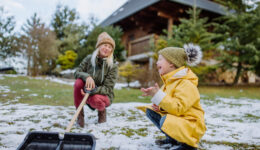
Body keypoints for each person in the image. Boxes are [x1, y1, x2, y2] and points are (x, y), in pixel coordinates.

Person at [138, 44, 206, 150]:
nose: (157, 62)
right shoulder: (169, 82)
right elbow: (170, 104)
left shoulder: (186, 83)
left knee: (164, 119)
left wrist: (159, 96)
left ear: (171, 63)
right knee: (151, 111)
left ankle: (188, 145)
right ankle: (173, 139)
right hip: (180, 121)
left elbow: (178, 108)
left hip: (191, 125)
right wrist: (158, 105)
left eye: (160, 59)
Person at [74, 32, 118, 127]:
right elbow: (77, 72)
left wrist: (91, 91)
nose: (107, 48)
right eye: (105, 45)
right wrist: (87, 77)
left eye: (110, 47)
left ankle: (102, 113)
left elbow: (107, 88)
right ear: (99, 46)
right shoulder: (89, 59)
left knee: (96, 99)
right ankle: (80, 117)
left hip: (103, 95)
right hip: (86, 92)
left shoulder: (112, 66)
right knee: (78, 83)